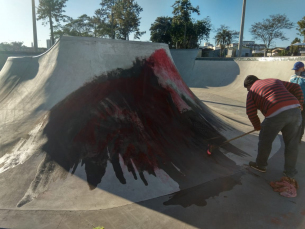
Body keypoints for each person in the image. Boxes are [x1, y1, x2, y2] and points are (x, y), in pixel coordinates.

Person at [244, 75, 303, 177]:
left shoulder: (252, 91)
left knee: (265, 141)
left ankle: (261, 165)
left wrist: (257, 126)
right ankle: (290, 172)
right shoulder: (273, 80)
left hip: (276, 112)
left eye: (247, 88)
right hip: (295, 110)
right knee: (292, 144)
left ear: (249, 84)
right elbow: (296, 87)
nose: (248, 90)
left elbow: (251, 112)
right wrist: (300, 103)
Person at [289, 61, 305, 142]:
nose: (296, 71)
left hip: (304, 104)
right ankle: (292, 136)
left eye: (297, 69)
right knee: (292, 121)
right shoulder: (292, 77)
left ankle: (298, 138)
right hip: (294, 103)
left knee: (302, 121)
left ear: (302, 68)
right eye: (295, 70)